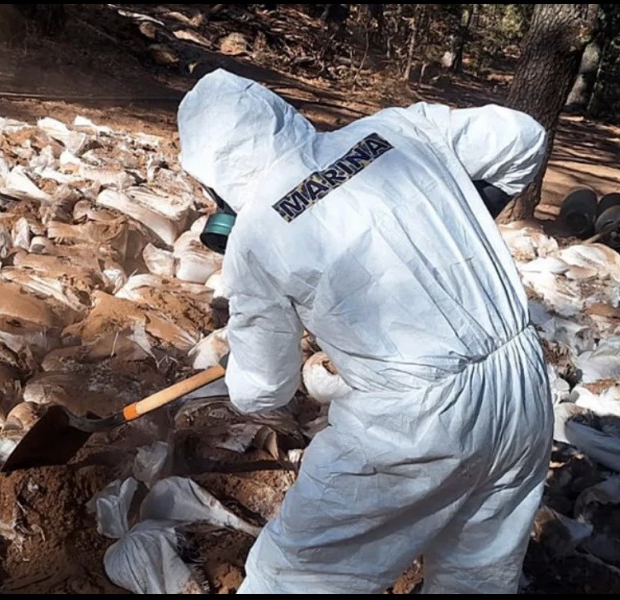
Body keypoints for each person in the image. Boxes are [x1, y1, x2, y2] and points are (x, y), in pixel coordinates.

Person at [178, 69, 553, 595]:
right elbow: (524, 136)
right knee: (476, 575)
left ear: (215, 173)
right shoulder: (398, 129)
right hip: (523, 391)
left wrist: (243, 358)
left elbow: (263, 390)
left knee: (297, 577)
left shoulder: (257, 235)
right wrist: (462, 214)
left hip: (414, 424)